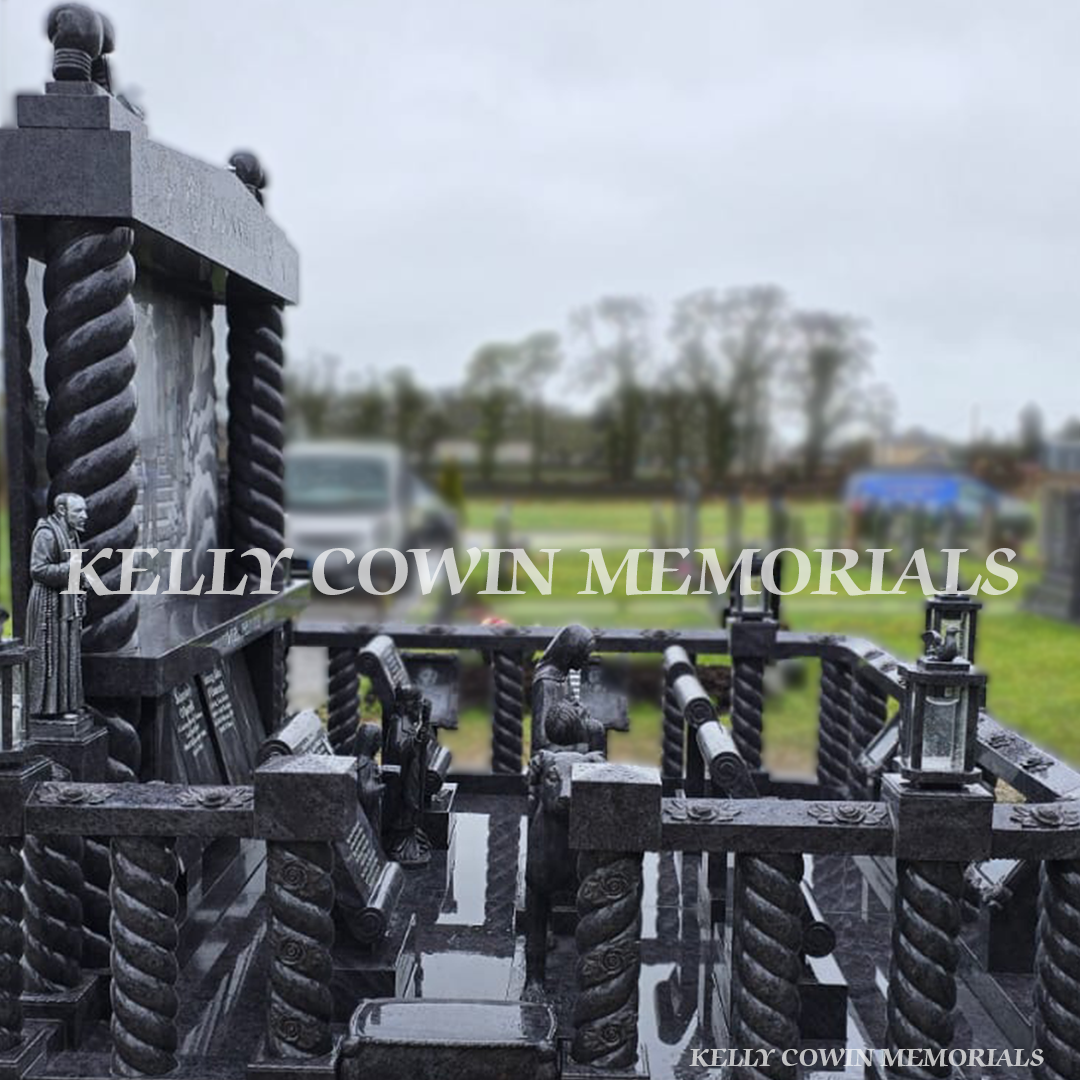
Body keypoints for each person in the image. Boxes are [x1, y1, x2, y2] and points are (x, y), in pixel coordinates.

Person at [25, 493, 88, 717]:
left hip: (66, 602)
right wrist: (70, 568)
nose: (84, 516)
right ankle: (47, 709)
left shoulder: (71, 534)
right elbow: (37, 570)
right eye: (78, 511)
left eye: (84, 511)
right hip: (49, 603)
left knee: (66, 653)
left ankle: (66, 705)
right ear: (62, 511)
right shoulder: (47, 534)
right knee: (50, 655)